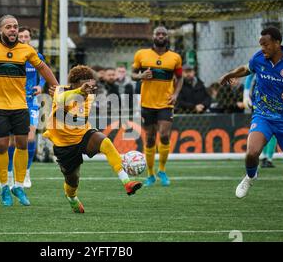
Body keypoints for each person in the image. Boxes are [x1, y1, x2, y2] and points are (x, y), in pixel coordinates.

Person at [0, 15, 59, 207]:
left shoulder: (26, 50)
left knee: (23, 143)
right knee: (1, 146)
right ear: (1, 30)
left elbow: (43, 68)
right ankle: (3, 186)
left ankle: (19, 186)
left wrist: (55, 85)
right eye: (9, 27)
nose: (13, 30)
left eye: (15, 27)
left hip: (20, 104)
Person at [219, 26, 283, 211]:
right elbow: (246, 68)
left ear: (277, 43)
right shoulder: (260, 58)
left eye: (265, 44)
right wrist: (230, 74)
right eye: (260, 44)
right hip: (263, 115)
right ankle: (250, 177)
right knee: (252, 152)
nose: (262, 48)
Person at [43, 65, 142, 213]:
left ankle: (127, 182)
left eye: (91, 82)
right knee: (72, 180)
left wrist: (83, 92)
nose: (89, 86)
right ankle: (72, 198)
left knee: (106, 142)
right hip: (64, 144)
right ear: (75, 82)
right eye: (85, 83)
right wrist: (78, 91)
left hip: (83, 134)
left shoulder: (89, 95)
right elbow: (61, 98)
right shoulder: (60, 90)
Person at [131, 25, 183, 187]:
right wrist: (141, 76)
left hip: (165, 103)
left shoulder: (175, 57)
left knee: (165, 135)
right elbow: (132, 74)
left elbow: (180, 78)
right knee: (151, 138)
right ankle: (151, 174)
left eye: (163, 34)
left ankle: (162, 169)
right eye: (158, 33)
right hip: (147, 103)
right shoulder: (141, 54)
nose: (160, 36)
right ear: (153, 36)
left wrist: (175, 95)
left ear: (167, 37)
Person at [7, 26, 47, 189]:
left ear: (30, 39)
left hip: (30, 102)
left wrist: (41, 86)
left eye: (26, 36)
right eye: (20, 36)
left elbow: (45, 73)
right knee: (11, 141)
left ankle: (26, 173)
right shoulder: (10, 55)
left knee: (30, 137)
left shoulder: (36, 56)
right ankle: (10, 174)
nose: (23, 39)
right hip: (12, 102)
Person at [243, 73, 277, 168]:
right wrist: (246, 96)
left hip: (275, 95)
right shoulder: (259, 59)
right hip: (259, 96)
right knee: (262, 128)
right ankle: (265, 157)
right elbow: (249, 77)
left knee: (272, 129)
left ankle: (267, 158)